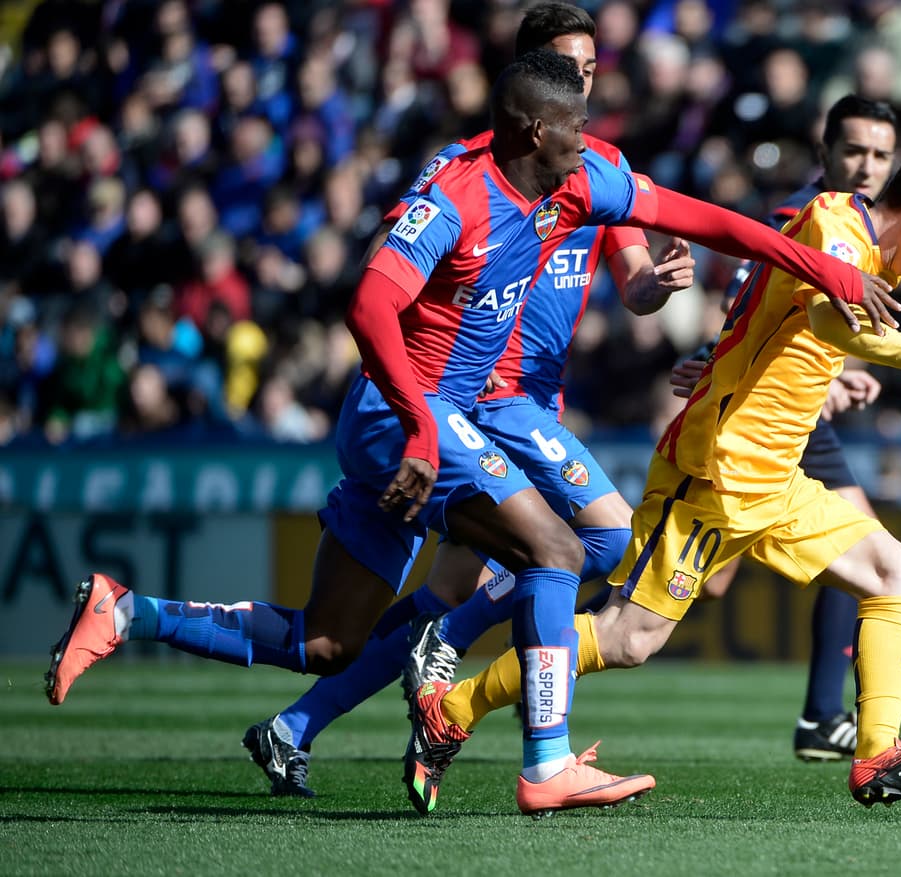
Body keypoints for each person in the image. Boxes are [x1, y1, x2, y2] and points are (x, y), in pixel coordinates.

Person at [45, 49, 901, 818]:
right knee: (556, 553)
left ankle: (128, 611)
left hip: (458, 417)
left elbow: (704, 218)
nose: (589, 138)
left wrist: (822, 268)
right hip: (403, 414)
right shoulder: (455, 194)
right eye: (574, 124)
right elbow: (369, 303)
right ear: (533, 125)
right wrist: (421, 424)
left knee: (326, 639)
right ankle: (543, 760)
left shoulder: (576, 183)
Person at [405, 140, 901, 812]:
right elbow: (836, 324)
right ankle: (450, 708)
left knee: (900, 576)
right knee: (627, 637)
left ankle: (877, 757)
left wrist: (722, 355)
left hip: (777, 479)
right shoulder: (836, 233)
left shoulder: (851, 239)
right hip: (716, 475)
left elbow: (776, 309)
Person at [238, 2, 696, 803]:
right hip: (486, 399)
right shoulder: (474, 167)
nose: (585, 76)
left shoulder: (598, 163)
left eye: (592, 65)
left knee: (462, 589)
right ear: (532, 80)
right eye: (568, 64)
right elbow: (405, 272)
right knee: (596, 536)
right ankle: (476, 704)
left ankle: (299, 725)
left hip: (536, 403)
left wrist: (655, 286)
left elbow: (632, 286)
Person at [685, 95, 900, 762]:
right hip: (766, 418)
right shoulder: (798, 218)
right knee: (690, 583)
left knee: (865, 557)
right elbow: (744, 304)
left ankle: (821, 716)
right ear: (826, 153)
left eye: (880, 155)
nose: (866, 166)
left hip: (804, 416)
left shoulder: (860, 226)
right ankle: (542, 627)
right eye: (855, 151)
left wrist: (841, 374)